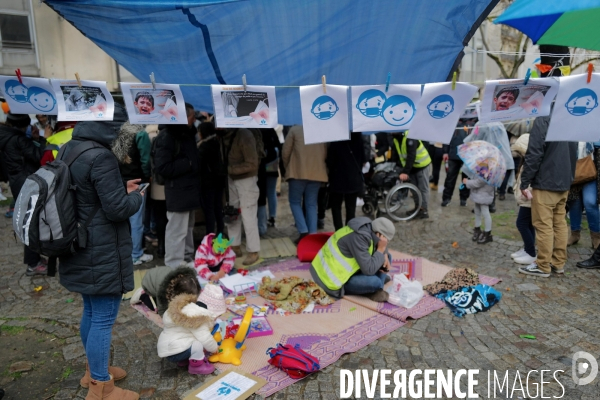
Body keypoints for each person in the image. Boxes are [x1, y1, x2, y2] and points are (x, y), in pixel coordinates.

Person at [58, 104, 142, 399]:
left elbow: (86, 192)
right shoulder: (102, 156)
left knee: (91, 312)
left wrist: (120, 186)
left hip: (79, 244)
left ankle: (93, 370)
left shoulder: (71, 148)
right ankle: (101, 387)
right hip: (101, 248)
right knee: (103, 318)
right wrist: (136, 198)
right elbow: (117, 209)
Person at [518, 116, 577, 277]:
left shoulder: (544, 119)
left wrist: (525, 181)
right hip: (564, 181)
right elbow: (574, 153)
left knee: (544, 224)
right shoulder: (570, 118)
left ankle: (543, 264)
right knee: (559, 223)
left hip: (547, 181)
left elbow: (534, 153)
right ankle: (558, 263)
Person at [154, 104, 201, 268]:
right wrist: (187, 163)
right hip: (178, 190)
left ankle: (187, 258)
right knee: (176, 230)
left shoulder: (186, 134)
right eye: (191, 116)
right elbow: (162, 167)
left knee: (187, 227)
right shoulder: (167, 136)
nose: (194, 120)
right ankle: (173, 264)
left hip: (189, 189)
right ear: (181, 116)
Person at [0, 113, 47, 276]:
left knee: (29, 221)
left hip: (16, 182)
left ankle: (35, 260)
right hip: (27, 182)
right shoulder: (18, 139)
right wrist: (42, 139)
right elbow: (39, 156)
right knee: (32, 223)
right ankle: (33, 263)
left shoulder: (5, 135)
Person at [310, 217, 394, 302]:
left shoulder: (369, 228)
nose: (386, 243)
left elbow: (378, 248)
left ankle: (377, 289)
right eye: (386, 240)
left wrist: (384, 252)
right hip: (331, 279)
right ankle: (376, 288)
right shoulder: (359, 237)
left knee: (388, 257)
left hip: (349, 271)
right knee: (375, 282)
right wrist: (380, 250)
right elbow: (369, 270)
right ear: (379, 234)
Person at [157, 274, 219, 375]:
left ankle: (184, 359)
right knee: (198, 343)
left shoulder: (172, 308)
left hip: (168, 349)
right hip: (176, 350)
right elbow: (205, 337)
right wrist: (214, 348)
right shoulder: (195, 314)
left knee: (187, 337)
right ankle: (197, 367)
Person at [221, 127, 261, 265]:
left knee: (248, 215)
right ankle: (235, 246)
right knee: (232, 213)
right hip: (231, 179)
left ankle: (253, 250)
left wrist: (230, 169)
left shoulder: (244, 135)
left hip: (246, 180)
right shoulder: (222, 134)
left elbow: (252, 163)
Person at [282, 125, 328, 243]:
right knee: (311, 204)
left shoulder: (294, 130)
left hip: (298, 172)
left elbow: (285, 152)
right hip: (316, 172)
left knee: (295, 202)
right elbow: (325, 152)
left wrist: (288, 167)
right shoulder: (321, 129)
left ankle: (303, 230)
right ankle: (312, 234)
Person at [117, 122, 154, 265]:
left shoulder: (117, 132)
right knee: (136, 220)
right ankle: (136, 254)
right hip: (138, 181)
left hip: (120, 181)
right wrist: (147, 176)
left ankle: (124, 252)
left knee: (124, 219)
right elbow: (145, 160)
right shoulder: (141, 134)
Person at [464, 122, 515, 213]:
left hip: (486, 156)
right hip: (498, 155)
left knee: (483, 180)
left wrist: (468, 143)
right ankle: (490, 204)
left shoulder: (482, 124)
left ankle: (483, 204)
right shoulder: (500, 124)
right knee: (492, 181)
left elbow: (475, 138)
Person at [326, 132, 365, 231]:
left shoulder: (336, 141)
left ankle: (338, 231)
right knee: (351, 209)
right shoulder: (359, 139)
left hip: (337, 179)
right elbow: (363, 159)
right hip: (354, 178)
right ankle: (349, 231)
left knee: (336, 207)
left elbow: (330, 160)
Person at [391, 131, 432, 218]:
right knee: (414, 189)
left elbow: (411, 155)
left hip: (422, 165)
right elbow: (397, 155)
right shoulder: (395, 138)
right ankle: (418, 208)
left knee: (423, 189)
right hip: (412, 167)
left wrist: (405, 172)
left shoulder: (411, 136)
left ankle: (424, 210)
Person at [567, 142, 600, 248]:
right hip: (573, 170)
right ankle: (574, 234)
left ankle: (596, 236)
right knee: (574, 203)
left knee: (590, 202)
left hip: (590, 169)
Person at [510, 134, 537, 265]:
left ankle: (531, 252)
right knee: (528, 224)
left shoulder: (532, 163)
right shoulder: (526, 161)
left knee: (521, 223)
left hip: (528, 198)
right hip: (525, 198)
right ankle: (528, 249)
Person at [198, 122, 226, 238]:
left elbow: (199, 165)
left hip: (208, 183)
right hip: (219, 181)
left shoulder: (203, 147)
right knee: (218, 208)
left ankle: (210, 235)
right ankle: (220, 231)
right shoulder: (217, 143)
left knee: (209, 210)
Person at [257, 128, 282, 233]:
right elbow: (278, 146)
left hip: (260, 164)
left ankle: (261, 220)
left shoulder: (256, 130)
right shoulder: (271, 130)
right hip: (272, 163)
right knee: (271, 192)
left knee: (261, 193)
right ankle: (272, 216)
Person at [441, 127, 470, 207]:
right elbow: (446, 137)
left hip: (467, 156)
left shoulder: (473, 121)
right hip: (453, 155)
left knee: (466, 178)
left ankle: (463, 199)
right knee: (450, 178)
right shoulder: (453, 121)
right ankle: (446, 198)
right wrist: (445, 152)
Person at [463, 174, 494, 244]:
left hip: (484, 194)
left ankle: (487, 233)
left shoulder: (488, 170)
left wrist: (467, 182)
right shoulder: (482, 167)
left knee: (485, 212)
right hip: (479, 193)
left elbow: (479, 182)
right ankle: (477, 229)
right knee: (477, 210)